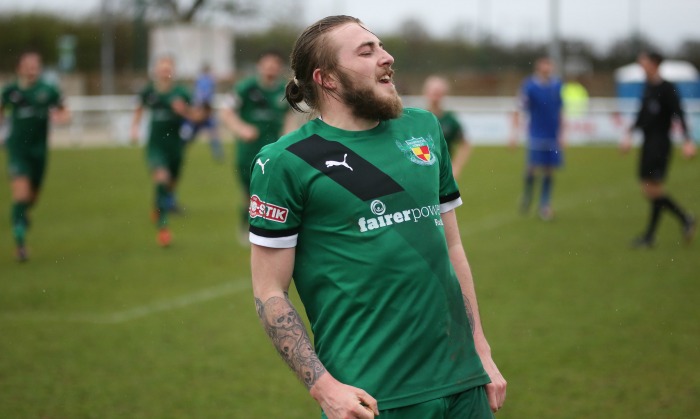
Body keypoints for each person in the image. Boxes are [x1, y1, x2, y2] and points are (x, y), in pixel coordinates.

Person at [249, 15, 506, 419]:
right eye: (366, 52)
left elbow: (451, 245)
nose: (386, 58)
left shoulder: (423, 128)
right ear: (327, 78)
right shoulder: (284, 162)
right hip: (371, 396)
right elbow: (269, 291)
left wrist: (481, 349)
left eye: (381, 47)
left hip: (462, 382)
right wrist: (325, 388)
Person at [621, 51, 696, 248]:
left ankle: (658, 232)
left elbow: (679, 114)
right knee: (650, 189)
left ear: (654, 64)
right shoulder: (647, 87)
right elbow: (642, 115)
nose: (640, 65)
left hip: (660, 144)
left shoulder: (667, 88)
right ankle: (678, 222)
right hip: (647, 143)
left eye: (643, 62)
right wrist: (629, 134)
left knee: (653, 188)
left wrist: (688, 141)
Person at [220, 50, 296, 241]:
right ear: (259, 66)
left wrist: (287, 136)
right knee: (251, 191)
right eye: (267, 63)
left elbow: (289, 115)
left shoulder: (283, 90)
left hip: (274, 151)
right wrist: (241, 128)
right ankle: (246, 225)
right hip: (249, 151)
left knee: (272, 191)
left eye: (275, 63)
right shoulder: (245, 88)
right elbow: (226, 112)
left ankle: (269, 231)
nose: (271, 67)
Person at [1, 51, 70, 261]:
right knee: (21, 196)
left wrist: (60, 118)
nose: (32, 69)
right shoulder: (10, 91)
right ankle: (20, 246)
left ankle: (22, 215)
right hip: (17, 151)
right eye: (27, 65)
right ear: (19, 68)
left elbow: (66, 112)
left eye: (35, 66)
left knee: (32, 199)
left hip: (39, 152)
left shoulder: (48, 91)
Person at [131, 55, 196, 247]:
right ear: (156, 71)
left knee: (170, 185)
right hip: (156, 146)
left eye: (168, 68)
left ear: (173, 71)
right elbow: (139, 108)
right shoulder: (148, 91)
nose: (164, 72)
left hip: (176, 146)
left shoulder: (182, 92)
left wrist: (183, 111)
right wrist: (134, 127)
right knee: (161, 178)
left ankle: (157, 206)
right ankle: (163, 227)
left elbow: (195, 116)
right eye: (162, 68)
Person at [510, 56, 564, 221]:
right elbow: (519, 107)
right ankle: (527, 196)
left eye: (549, 65)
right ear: (538, 67)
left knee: (549, 169)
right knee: (532, 168)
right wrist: (514, 133)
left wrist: (562, 133)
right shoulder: (530, 86)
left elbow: (560, 109)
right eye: (544, 65)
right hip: (536, 134)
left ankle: (544, 205)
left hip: (552, 135)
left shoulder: (557, 85)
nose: (547, 68)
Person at [423, 75, 472, 179]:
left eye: (439, 92)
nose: (436, 96)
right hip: (422, 172)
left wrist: (456, 166)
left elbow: (465, 144)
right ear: (426, 92)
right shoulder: (418, 118)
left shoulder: (450, 120)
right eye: (434, 92)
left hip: (444, 173)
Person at [180, 63, 224, 162]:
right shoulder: (209, 80)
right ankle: (218, 154)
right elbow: (205, 97)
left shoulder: (199, 80)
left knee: (190, 133)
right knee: (212, 133)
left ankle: (180, 151)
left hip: (200, 111)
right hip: (202, 111)